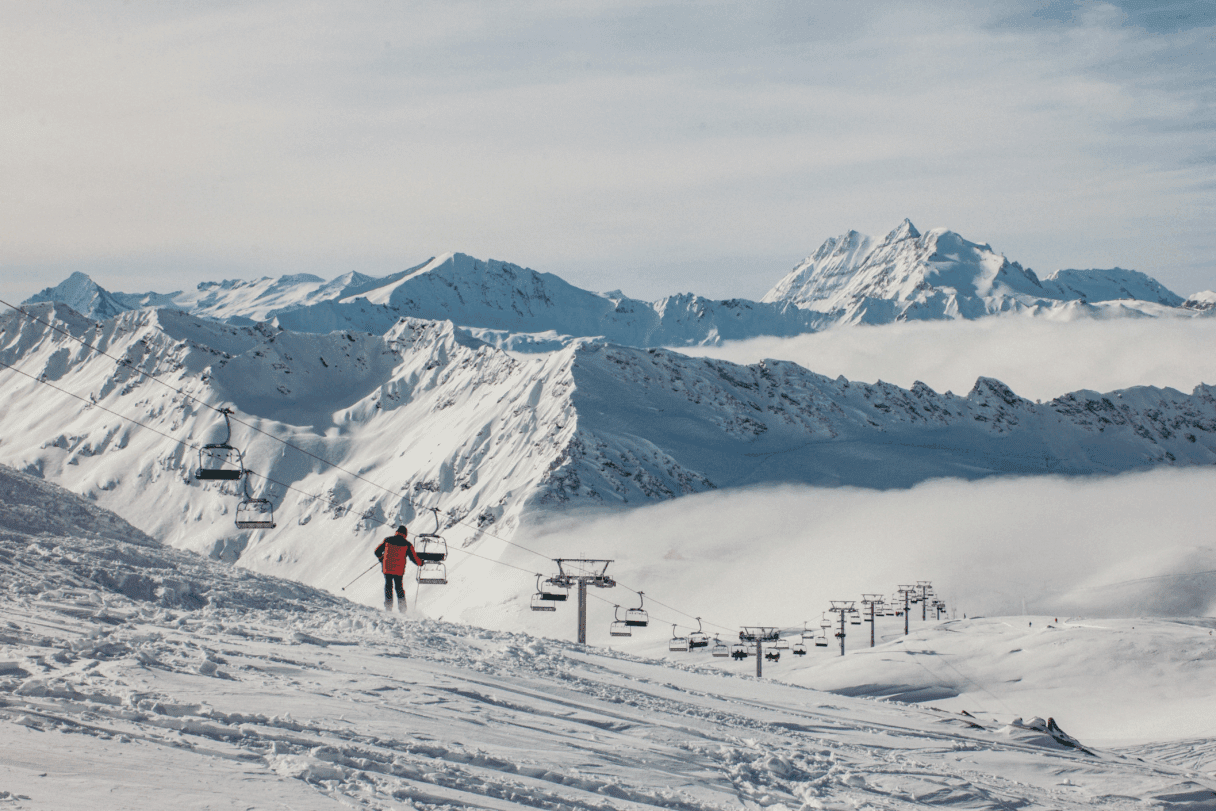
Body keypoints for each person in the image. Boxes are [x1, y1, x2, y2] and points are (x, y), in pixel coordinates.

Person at [374, 525, 423, 612]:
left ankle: (388, 607)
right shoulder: (407, 544)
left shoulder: (387, 540)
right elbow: (413, 558)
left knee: (388, 586)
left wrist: (382, 559)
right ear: (405, 534)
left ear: (397, 532)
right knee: (399, 588)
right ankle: (402, 609)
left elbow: (377, 551)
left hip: (387, 568)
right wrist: (420, 563)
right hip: (398, 570)